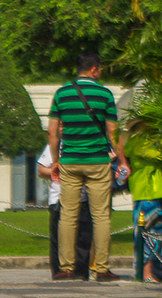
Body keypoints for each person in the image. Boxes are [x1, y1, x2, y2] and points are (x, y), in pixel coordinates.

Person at [47, 53, 129, 282]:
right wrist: (122, 160)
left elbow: (52, 132)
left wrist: (56, 160)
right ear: (94, 69)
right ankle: (101, 268)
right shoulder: (104, 94)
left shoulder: (62, 93)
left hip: (70, 161)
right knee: (101, 215)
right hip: (98, 162)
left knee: (68, 215)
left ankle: (66, 267)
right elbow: (113, 132)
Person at [124, 125, 162, 283]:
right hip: (146, 191)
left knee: (160, 232)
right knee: (146, 232)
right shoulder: (138, 141)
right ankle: (146, 272)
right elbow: (160, 156)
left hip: (160, 191)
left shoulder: (156, 138)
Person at [36, 144, 90, 279]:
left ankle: (81, 272)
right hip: (59, 198)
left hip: (84, 198)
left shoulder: (88, 140)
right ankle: (60, 271)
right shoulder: (55, 146)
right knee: (58, 239)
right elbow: (41, 170)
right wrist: (62, 173)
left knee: (83, 239)